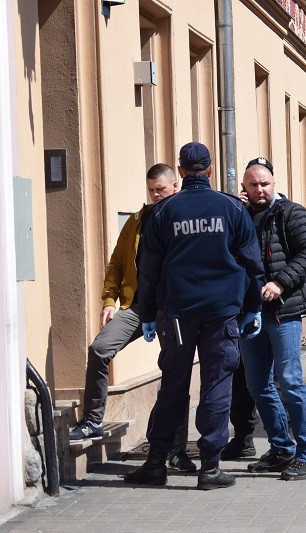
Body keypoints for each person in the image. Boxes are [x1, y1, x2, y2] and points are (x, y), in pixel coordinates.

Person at [125, 142, 265, 490]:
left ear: (180, 171)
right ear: (211, 169)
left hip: (178, 313)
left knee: (173, 386)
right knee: (216, 385)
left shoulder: (164, 211)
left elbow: (148, 270)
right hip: (222, 312)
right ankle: (210, 467)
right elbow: (252, 263)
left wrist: (148, 312)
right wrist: (253, 307)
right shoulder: (232, 208)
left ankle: (156, 462)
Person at [68, 164, 197, 471]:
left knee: (175, 374)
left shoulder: (184, 218)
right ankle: (93, 421)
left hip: (172, 309)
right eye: (151, 190)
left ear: (175, 186)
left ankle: (176, 449)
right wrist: (109, 300)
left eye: (160, 189)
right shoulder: (138, 221)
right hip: (137, 307)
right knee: (100, 349)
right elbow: (116, 263)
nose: (155, 195)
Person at [237, 157, 306, 481]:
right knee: (257, 385)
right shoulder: (240, 215)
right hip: (251, 313)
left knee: (289, 381)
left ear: (274, 184)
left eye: (265, 184)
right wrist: (236, 209)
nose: (259, 189)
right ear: (244, 187)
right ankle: (281, 448)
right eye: (253, 185)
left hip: (283, 312)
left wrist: (280, 282)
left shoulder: (291, 212)